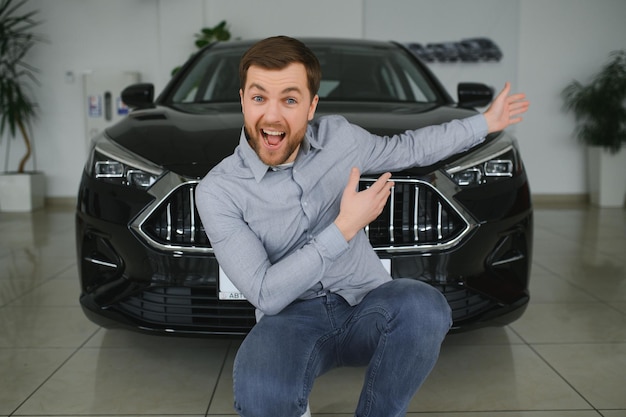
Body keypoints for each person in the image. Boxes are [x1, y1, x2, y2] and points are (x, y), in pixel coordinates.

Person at [195, 35, 529, 417]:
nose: (272, 116)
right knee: (260, 392)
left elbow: (410, 147)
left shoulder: (341, 139)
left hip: (364, 304)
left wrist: (485, 122)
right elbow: (266, 294)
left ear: (311, 106)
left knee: (425, 308)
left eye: (289, 99)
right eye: (259, 98)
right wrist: (345, 227)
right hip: (289, 317)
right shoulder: (218, 191)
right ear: (242, 100)